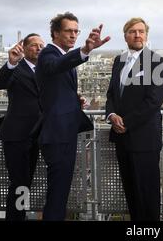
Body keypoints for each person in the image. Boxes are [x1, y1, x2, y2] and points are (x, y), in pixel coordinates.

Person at [35, 12, 110, 220]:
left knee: (61, 191)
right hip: (56, 134)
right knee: (58, 192)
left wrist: (72, 99)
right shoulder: (48, 54)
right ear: (55, 33)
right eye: (68, 31)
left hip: (63, 131)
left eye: (76, 31)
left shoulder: (60, 55)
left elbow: (54, 87)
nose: (73, 35)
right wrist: (85, 50)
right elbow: (53, 67)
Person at [105, 17, 163, 221]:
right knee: (131, 191)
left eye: (141, 31)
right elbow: (112, 95)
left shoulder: (156, 61)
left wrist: (126, 123)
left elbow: (154, 101)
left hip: (144, 139)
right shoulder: (118, 61)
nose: (137, 35)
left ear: (146, 35)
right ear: (125, 36)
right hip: (121, 139)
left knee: (147, 194)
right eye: (133, 31)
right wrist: (112, 115)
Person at [0, 33, 45, 221]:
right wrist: (11, 63)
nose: (39, 48)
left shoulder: (44, 70)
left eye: (41, 45)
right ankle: (15, 218)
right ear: (24, 48)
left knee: (26, 182)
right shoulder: (16, 68)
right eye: (34, 45)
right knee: (19, 183)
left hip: (36, 135)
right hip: (16, 136)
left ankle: (17, 216)